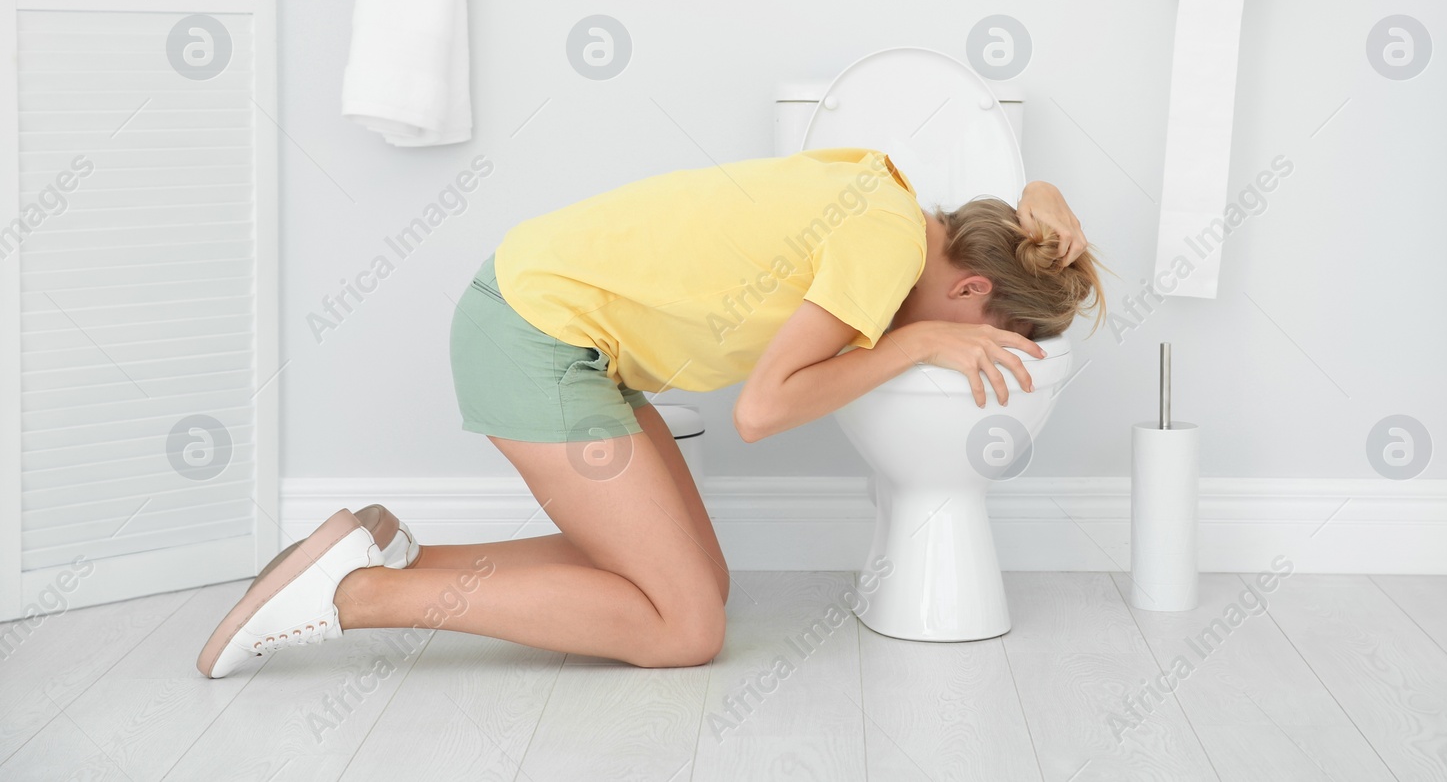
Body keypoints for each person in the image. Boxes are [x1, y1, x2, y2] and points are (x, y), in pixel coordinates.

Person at [198, 148, 1104, 678]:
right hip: (535, 335)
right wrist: (909, 347)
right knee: (684, 630)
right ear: (974, 284)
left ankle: (394, 553)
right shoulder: (889, 248)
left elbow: (1010, 222)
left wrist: (1045, 195)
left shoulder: (895, 202)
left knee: (697, 587)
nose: (966, 352)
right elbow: (760, 409)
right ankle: (359, 594)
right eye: (983, 339)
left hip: (552, 325)